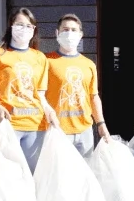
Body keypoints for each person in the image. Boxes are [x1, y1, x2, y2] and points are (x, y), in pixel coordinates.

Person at [0, 7, 60, 171]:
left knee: (32, 176)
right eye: (19, 24)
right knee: (6, 176)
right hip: (6, 126)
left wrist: (50, 111)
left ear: (34, 30)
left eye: (29, 26)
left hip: (35, 126)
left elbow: (40, 94)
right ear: (11, 26)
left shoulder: (39, 57)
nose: (24, 29)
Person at [46, 14, 110, 155]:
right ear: (57, 33)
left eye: (74, 30)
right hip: (57, 130)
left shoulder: (88, 65)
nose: (69, 33)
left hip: (84, 131)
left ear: (80, 35)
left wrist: (101, 124)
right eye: (65, 29)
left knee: (84, 174)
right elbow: (39, 95)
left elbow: (93, 97)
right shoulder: (47, 62)